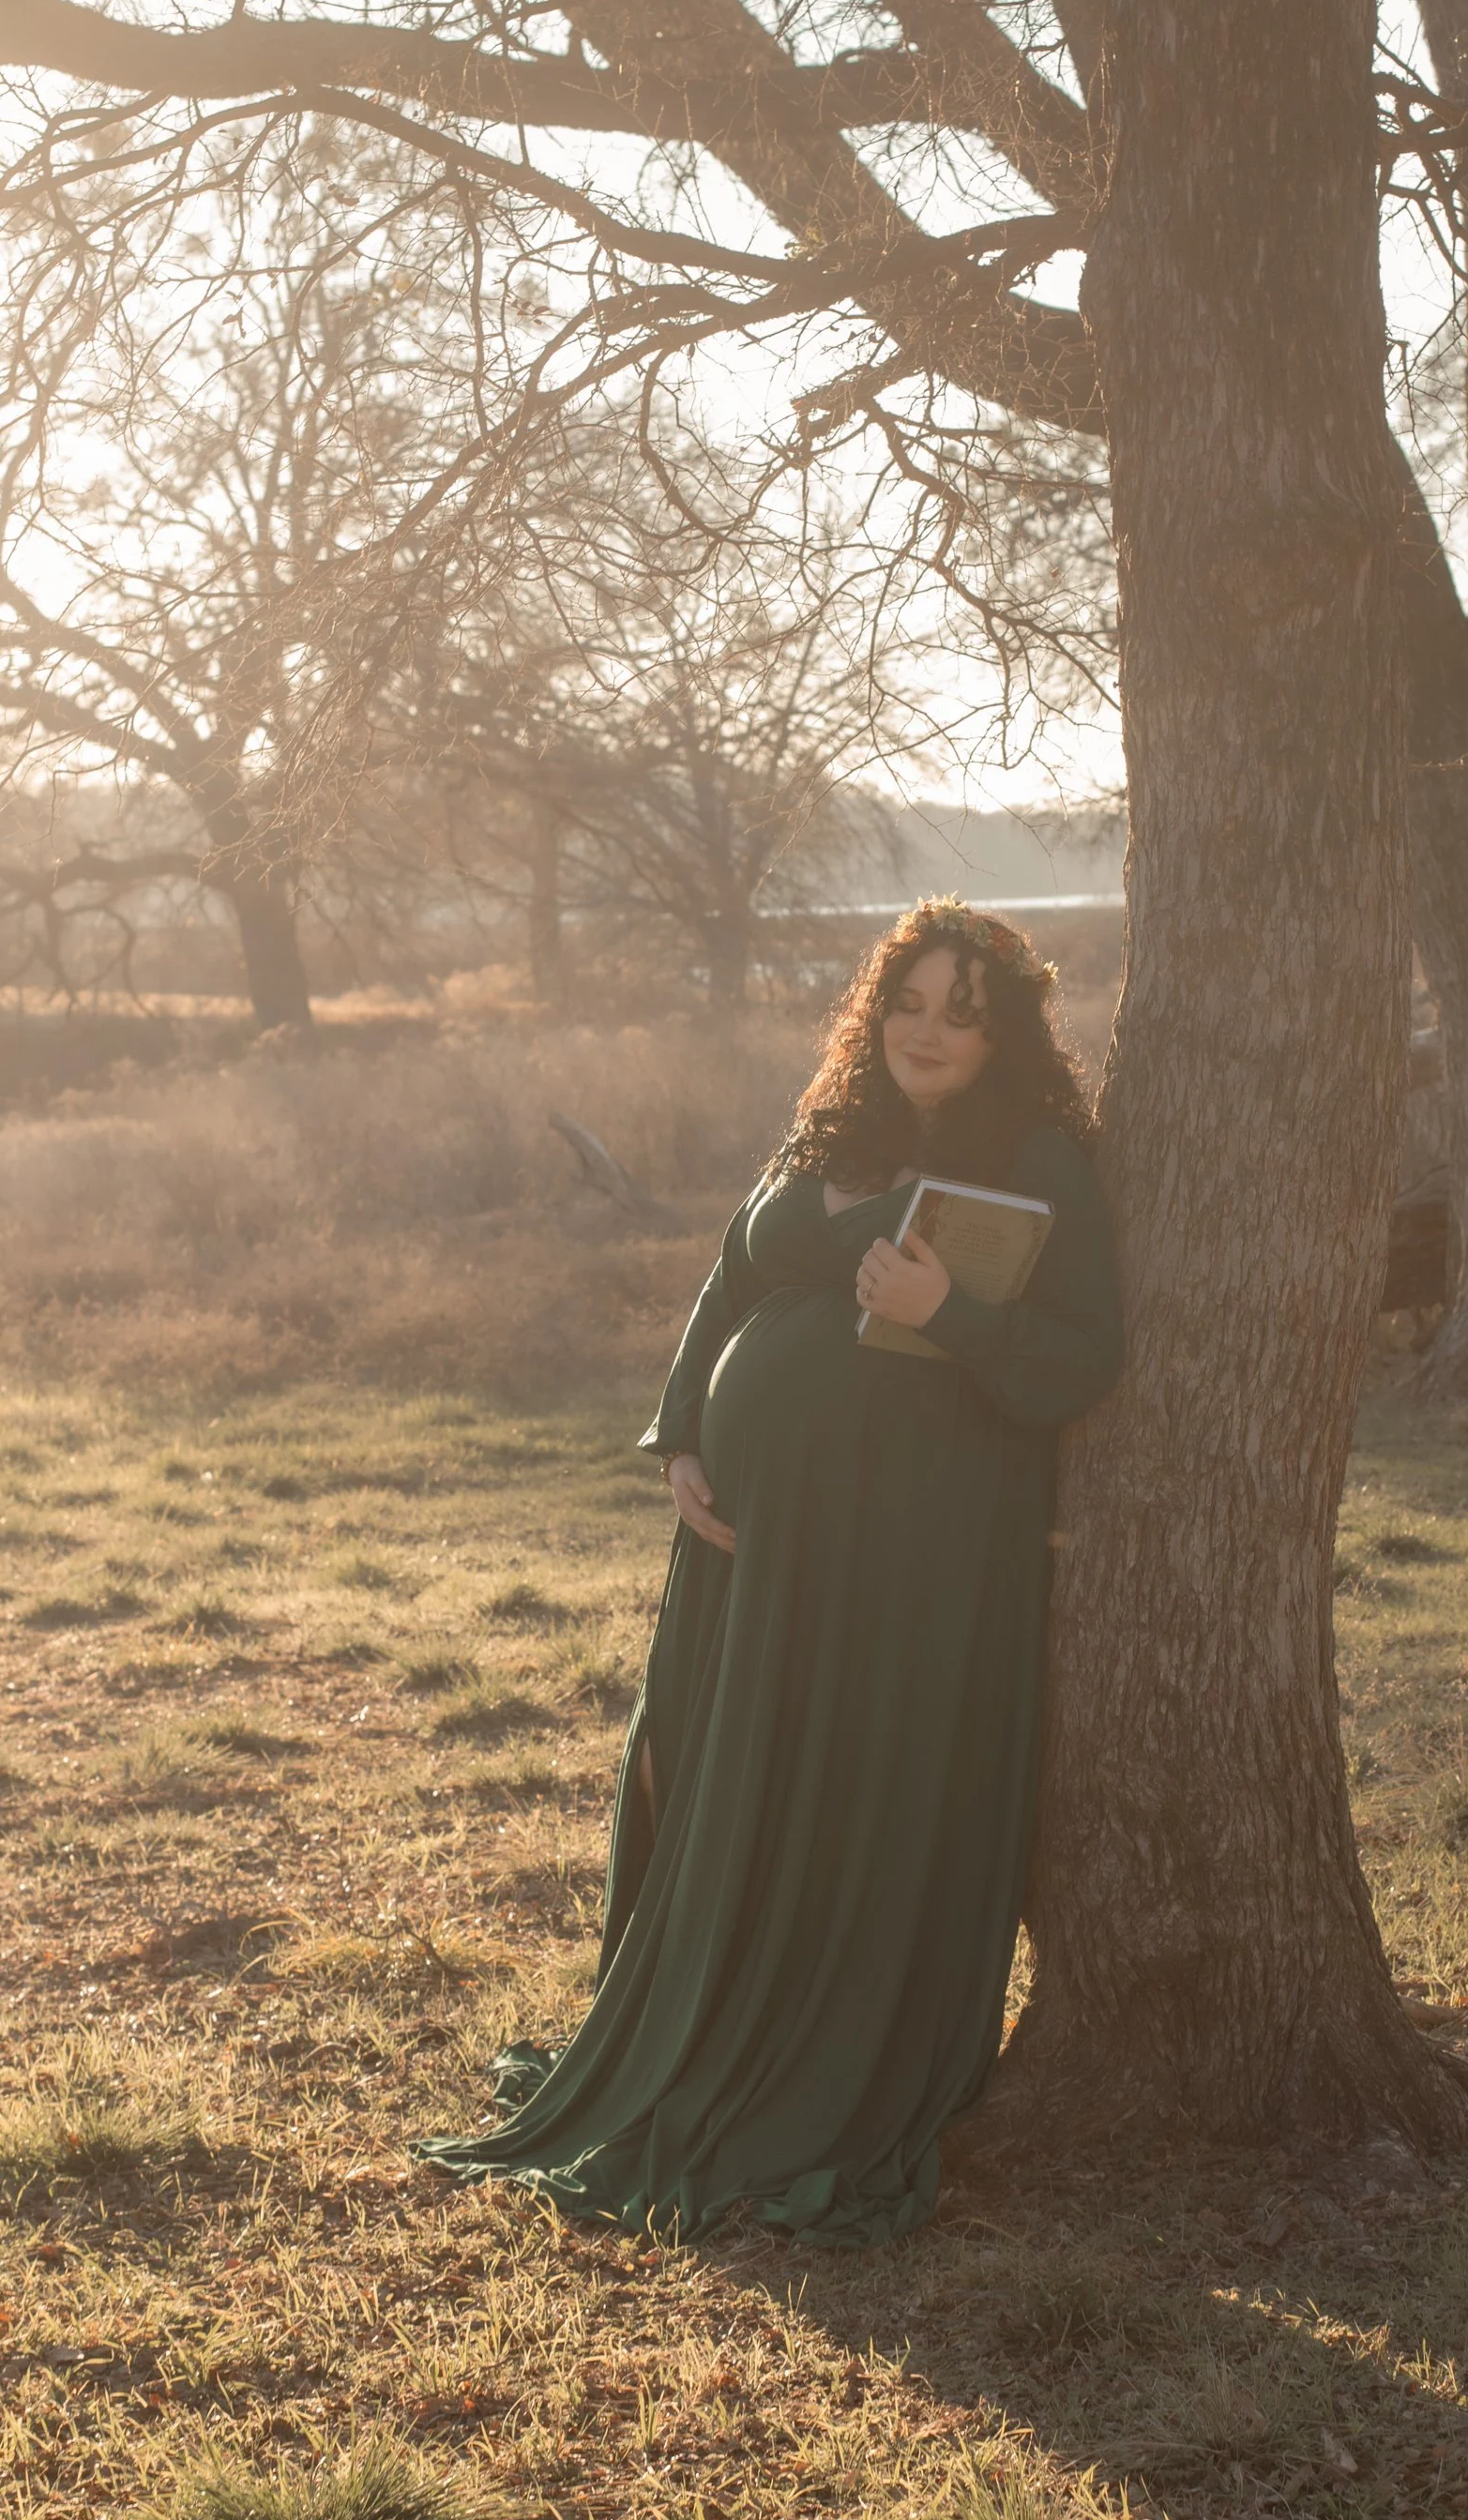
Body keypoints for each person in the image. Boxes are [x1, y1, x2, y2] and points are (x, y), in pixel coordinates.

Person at [416, 901, 1123, 2244]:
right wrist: (686, 1429)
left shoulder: (1040, 1164)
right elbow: (727, 1284)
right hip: (747, 1544)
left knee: (837, 1784)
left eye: (962, 1011)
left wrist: (948, 1314)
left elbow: (1081, 1355)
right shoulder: (832, 1131)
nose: (928, 1029)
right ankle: (687, 2031)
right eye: (909, 1001)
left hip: (904, 1552)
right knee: (705, 1767)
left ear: (1006, 1031)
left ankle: (807, 2067)